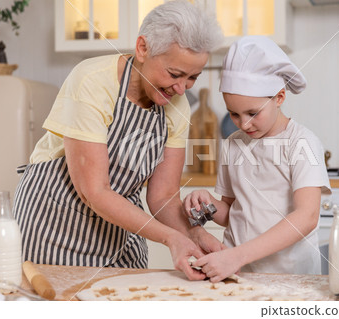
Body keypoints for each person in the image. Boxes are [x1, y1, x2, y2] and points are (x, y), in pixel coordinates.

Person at [13, 0, 224, 280]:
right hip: (54, 223)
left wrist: (194, 234)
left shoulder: (177, 106)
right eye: (174, 74)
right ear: (143, 48)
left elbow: (163, 197)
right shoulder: (92, 81)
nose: (181, 88)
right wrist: (170, 238)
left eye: (192, 78)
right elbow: (94, 191)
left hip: (119, 229)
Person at [183, 36, 331, 282]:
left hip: (290, 276)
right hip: (238, 272)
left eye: (253, 113)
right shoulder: (233, 144)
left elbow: (307, 217)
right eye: (234, 114)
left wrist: (238, 256)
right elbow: (233, 212)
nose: (244, 124)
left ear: (279, 97)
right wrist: (208, 205)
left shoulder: (301, 142)